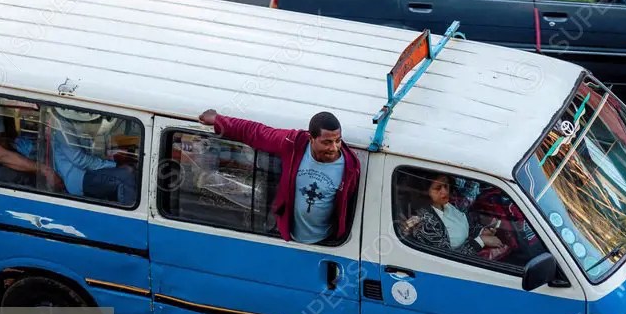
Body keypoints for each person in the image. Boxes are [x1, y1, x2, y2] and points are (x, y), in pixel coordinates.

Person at [197, 109, 361, 244]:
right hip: (287, 237)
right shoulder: (293, 143)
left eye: (337, 141)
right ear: (311, 138)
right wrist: (218, 120)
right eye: (326, 142)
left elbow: (348, 206)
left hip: (326, 242)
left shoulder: (350, 167)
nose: (333, 148)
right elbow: (256, 133)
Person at [401, 173, 506, 257]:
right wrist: (481, 240)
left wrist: (482, 231)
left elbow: (464, 225)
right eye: (438, 188)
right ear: (425, 192)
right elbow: (448, 259)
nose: (444, 191)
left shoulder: (449, 205)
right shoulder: (425, 224)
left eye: (446, 185)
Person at [48, 108, 137, 205]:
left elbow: (91, 151)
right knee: (127, 176)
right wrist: (113, 165)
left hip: (88, 171)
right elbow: (79, 159)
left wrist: (113, 159)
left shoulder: (80, 122)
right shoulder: (62, 123)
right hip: (78, 177)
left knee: (131, 169)